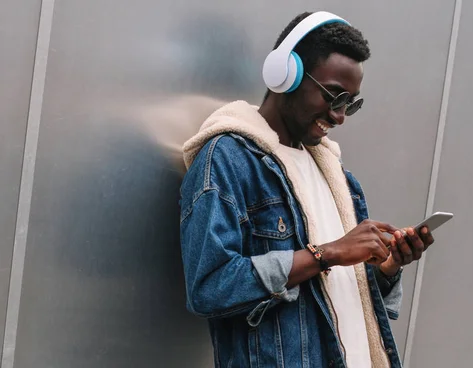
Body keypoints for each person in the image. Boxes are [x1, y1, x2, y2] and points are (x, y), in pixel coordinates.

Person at [179, 11, 434, 368]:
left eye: (350, 103)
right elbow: (210, 286)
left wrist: (388, 267)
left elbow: (336, 296)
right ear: (284, 75)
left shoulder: (337, 177)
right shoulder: (227, 160)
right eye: (333, 96)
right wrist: (327, 253)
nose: (339, 115)